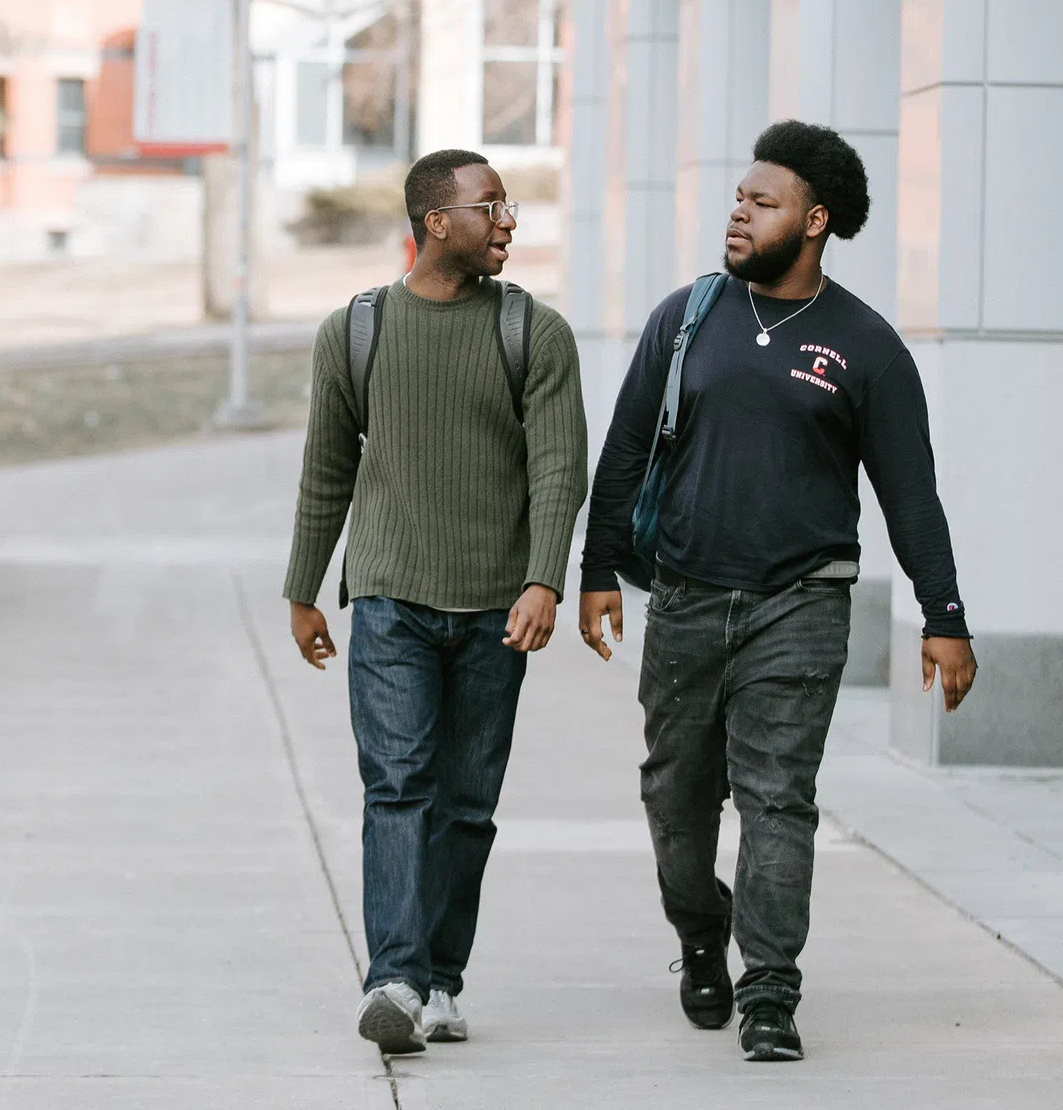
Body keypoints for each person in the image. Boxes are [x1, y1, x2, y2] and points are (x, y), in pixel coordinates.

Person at [576, 120, 977, 1065]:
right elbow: (627, 447)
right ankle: (701, 936)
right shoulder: (688, 316)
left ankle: (770, 991)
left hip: (801, 604)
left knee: (777, 799)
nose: (739, 210)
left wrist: (943, 615)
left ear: (816, 221)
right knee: (677, 805)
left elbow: (910, 493)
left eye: (763, 201)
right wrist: (597, 568)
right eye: (739, 195)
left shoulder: (867, 347)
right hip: (683, 600)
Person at [284, 149, 588, 1057]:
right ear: (433, 222)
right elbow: (327, 466)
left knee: (466, 801)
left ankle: (444, 977)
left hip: (497, 605)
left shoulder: (535, 332)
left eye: (508, 206)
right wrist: (304, 588)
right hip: (387, 599)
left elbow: (558, 468)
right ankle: (397, 979)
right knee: (398, 786)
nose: (507, 222)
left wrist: (543, 579)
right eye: (489, 206)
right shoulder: (355, 331)